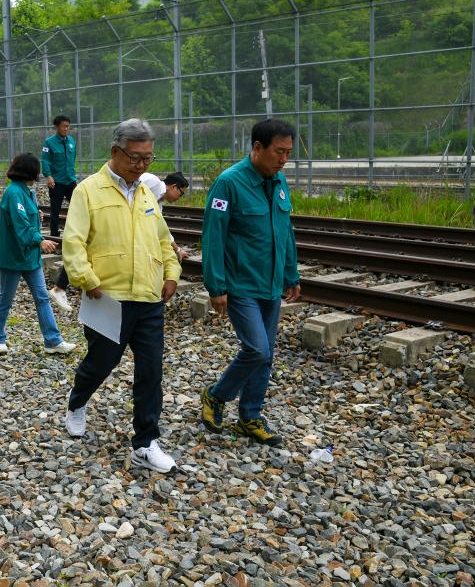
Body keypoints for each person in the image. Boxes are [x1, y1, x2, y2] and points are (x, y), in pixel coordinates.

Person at [61, 118, 182, 473]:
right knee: (101, 363)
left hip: (148, 299)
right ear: (115, 152)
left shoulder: (146, 193)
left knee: (151, 371)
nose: (142, 165)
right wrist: (87, 279)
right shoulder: (88, 191)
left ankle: (145, 443)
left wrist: (172, 272)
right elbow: (73, 241)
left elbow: (163, 238)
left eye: (148, 158)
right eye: (135, 157)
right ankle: (77, 401)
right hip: (107, 298)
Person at [199, 119, 300, 448]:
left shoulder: (279, 181)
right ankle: (216, 396)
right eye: (278, 152)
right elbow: (213, 237)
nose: (284, 159)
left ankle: (250, 417)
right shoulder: (229, 184)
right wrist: (216, 286)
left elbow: (285, 232)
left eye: (288, 153)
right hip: (240, 284)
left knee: (266, 354)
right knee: (256, 349)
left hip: (270, 285)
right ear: (257, 148)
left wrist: (291, 273)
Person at [48, 171, 190, 313]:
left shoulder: (157, 204)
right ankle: (60, 287)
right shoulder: (152, 182)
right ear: (174, 187)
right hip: (115, 218)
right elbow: (128, 187)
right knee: (84, 247)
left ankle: (60, 288)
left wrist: (176, 250)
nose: (179, 198)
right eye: (181, 193)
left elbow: (161, 231)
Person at [0, 153, 76, 356]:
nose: (39, 174)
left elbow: (27, 216)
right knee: (6, 298)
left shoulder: (27, 192)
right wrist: (39, 240)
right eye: (37, 170)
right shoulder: (13, 193)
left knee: (42, 298)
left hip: (30, 257)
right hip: (13, 257)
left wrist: (38, 216)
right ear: (30, 171)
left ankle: (52, 341)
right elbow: (21, 225)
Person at [40, 115, 77, 237]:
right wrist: (48, 176)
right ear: (57, 127)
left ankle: (74, 232)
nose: (66, 129)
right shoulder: (49, 143)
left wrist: (73, 175)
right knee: (55, 210)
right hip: (57, 182)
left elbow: (73, 159)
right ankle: (54, 234)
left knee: (77, 208)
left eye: (68, 126)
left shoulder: (71, 141)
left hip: (70, 181)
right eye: (63, 126)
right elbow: (45, 160)